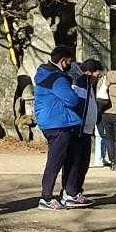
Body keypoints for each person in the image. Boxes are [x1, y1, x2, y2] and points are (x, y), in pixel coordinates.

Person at [33, 46, 91, 209]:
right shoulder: (58, 78)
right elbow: (72, 100)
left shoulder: (44, 73)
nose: (71, 65)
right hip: (59, 123)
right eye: (70, 61)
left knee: (67, 159)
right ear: (63, 60)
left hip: (52, 122)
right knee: (56, 161)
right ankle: (46, 197)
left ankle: (69, 194)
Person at [66, 59, 102, 202]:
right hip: (79, 130)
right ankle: (71, 192)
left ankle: (76, 191)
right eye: (97, 74)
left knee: (83, 163)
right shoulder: (81, 83)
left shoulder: (88, 84)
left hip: (86, 130)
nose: (98, 77)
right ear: (90, 72)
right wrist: (79, 126)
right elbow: (80, 105)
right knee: (76, 163)